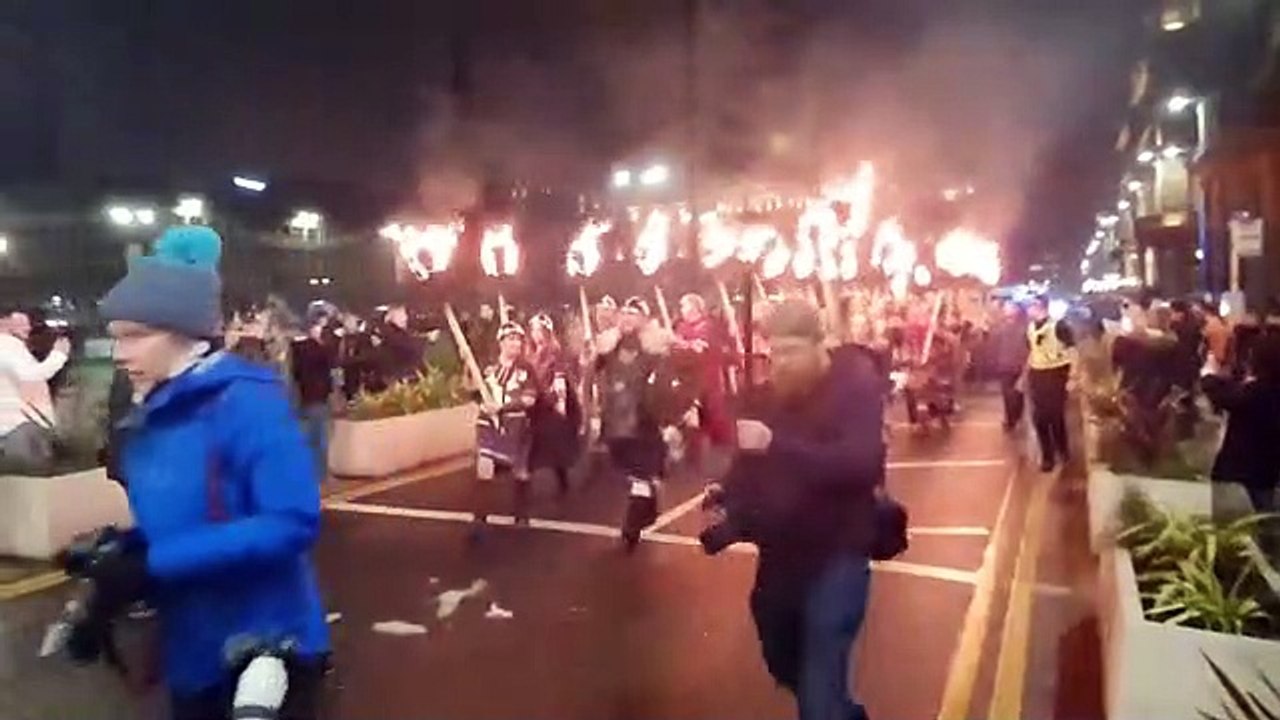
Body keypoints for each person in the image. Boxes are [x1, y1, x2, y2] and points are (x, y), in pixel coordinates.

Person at [89, 225, 328, 719]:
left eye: (136, 336)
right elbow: (186, 518)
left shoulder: (247, 402)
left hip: (264, 648)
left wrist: (156, 561)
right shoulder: (153, 409)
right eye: (116, 337)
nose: (120, 353)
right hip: (192, 655)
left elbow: (292, 521)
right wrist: (122, 558)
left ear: (184, 332)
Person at [701, 299, 884, 720]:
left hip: (838, 550)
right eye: (774, 353)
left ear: (820, 345)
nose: (780, 363)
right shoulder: (772, 395)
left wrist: (776, 445)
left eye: (791, 351)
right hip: (782, 557)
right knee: (785, 661)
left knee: (818, 696)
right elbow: (751, 462)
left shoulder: (855, 387)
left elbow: (861, 463)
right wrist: (727, 494)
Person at [593, 297, 671, 552]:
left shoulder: (654, 351)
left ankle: (631, 528)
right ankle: (647, 504)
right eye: (624, 312)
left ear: (644, 319)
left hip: (644, 421)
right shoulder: (609, 348)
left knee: (640, 474)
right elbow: (592, 375)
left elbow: (666, 385)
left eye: (634, 313)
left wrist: (670, 419)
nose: (627, 317)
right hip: (616, 421)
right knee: (632, 473)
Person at [1201, 330, 1280, 513]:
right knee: (1267, 521)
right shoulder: (1264, 390)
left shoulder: (1256, 392)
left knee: (1232, 524)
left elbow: (1224, 395)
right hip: (1269, 474)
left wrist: (1208, 374)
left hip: (1237, 475)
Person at [471, 321, 539, 532]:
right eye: (511, 339)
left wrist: (502, 407)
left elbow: (529, 399)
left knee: (520, 471)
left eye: (518, 340)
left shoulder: (526, 369)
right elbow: (473, 391)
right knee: (484, 466)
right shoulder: (487, 367)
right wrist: (478, 396)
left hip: (516, 425)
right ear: (501, 342)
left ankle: (521, 515)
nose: (516, 343)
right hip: (488, 425)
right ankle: (479, 519)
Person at [0, 308, 70, 472]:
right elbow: (32, 375)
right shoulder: (8, 344)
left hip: (11, 425)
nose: (28, 327)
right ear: (3, 321)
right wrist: (59, 354)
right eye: (21, 322)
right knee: (30, 476)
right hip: (18, 425)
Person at [673, 293, 733, 471]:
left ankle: (722, 456)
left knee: (713, 419)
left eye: (684, 306)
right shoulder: (681, 327)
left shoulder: (707, 326)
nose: (682, 310)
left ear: (694, 307)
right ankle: (692, 462)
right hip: (687, 382)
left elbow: (703, 348)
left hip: (708, 381)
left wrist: (686, 345)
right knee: (691, 423)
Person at [527, 313, 582, 497]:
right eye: (533, 330)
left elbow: (560, 377)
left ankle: (561, 481)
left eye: (538, 330)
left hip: (551, 404)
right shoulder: (533, 353)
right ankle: (524, 478)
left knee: (553, 443)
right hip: (537, 403)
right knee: (533, 443)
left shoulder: (554, 352)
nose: (535, 334)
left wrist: (561, 403)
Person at [1026, 297, 1075, 472]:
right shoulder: (1031, 328)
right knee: (1039, 418)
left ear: (1041, 307)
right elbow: (1032, 351)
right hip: (1038, 375)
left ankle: (1063, 450)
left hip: (1056, 374)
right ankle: (1047, 456)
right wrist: (1025, 375)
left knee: (1055, 416)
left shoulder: (1059, 326)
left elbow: (1073, 351)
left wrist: (1073, 377)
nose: (1028, 310)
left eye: (1031, 306)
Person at [291, 313, 338, 479]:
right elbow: (331, 361)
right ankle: (320, 473)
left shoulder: (296, 349)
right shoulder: (315, 349)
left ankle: (309, 472)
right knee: (319, 437)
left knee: (309, 436)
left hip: (304, 397)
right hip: (317, 397)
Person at [991, 301, 1030, 431]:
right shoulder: (1002, 327)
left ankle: (1015, 417)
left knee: (1017, 393)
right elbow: (995, 342)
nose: (1006, 310)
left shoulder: (1023, 328)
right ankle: (1011, 419)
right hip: (1005, 365)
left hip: (1018, 365)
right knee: (1008, 393)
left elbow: (1027, 346)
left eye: (1010, 308)